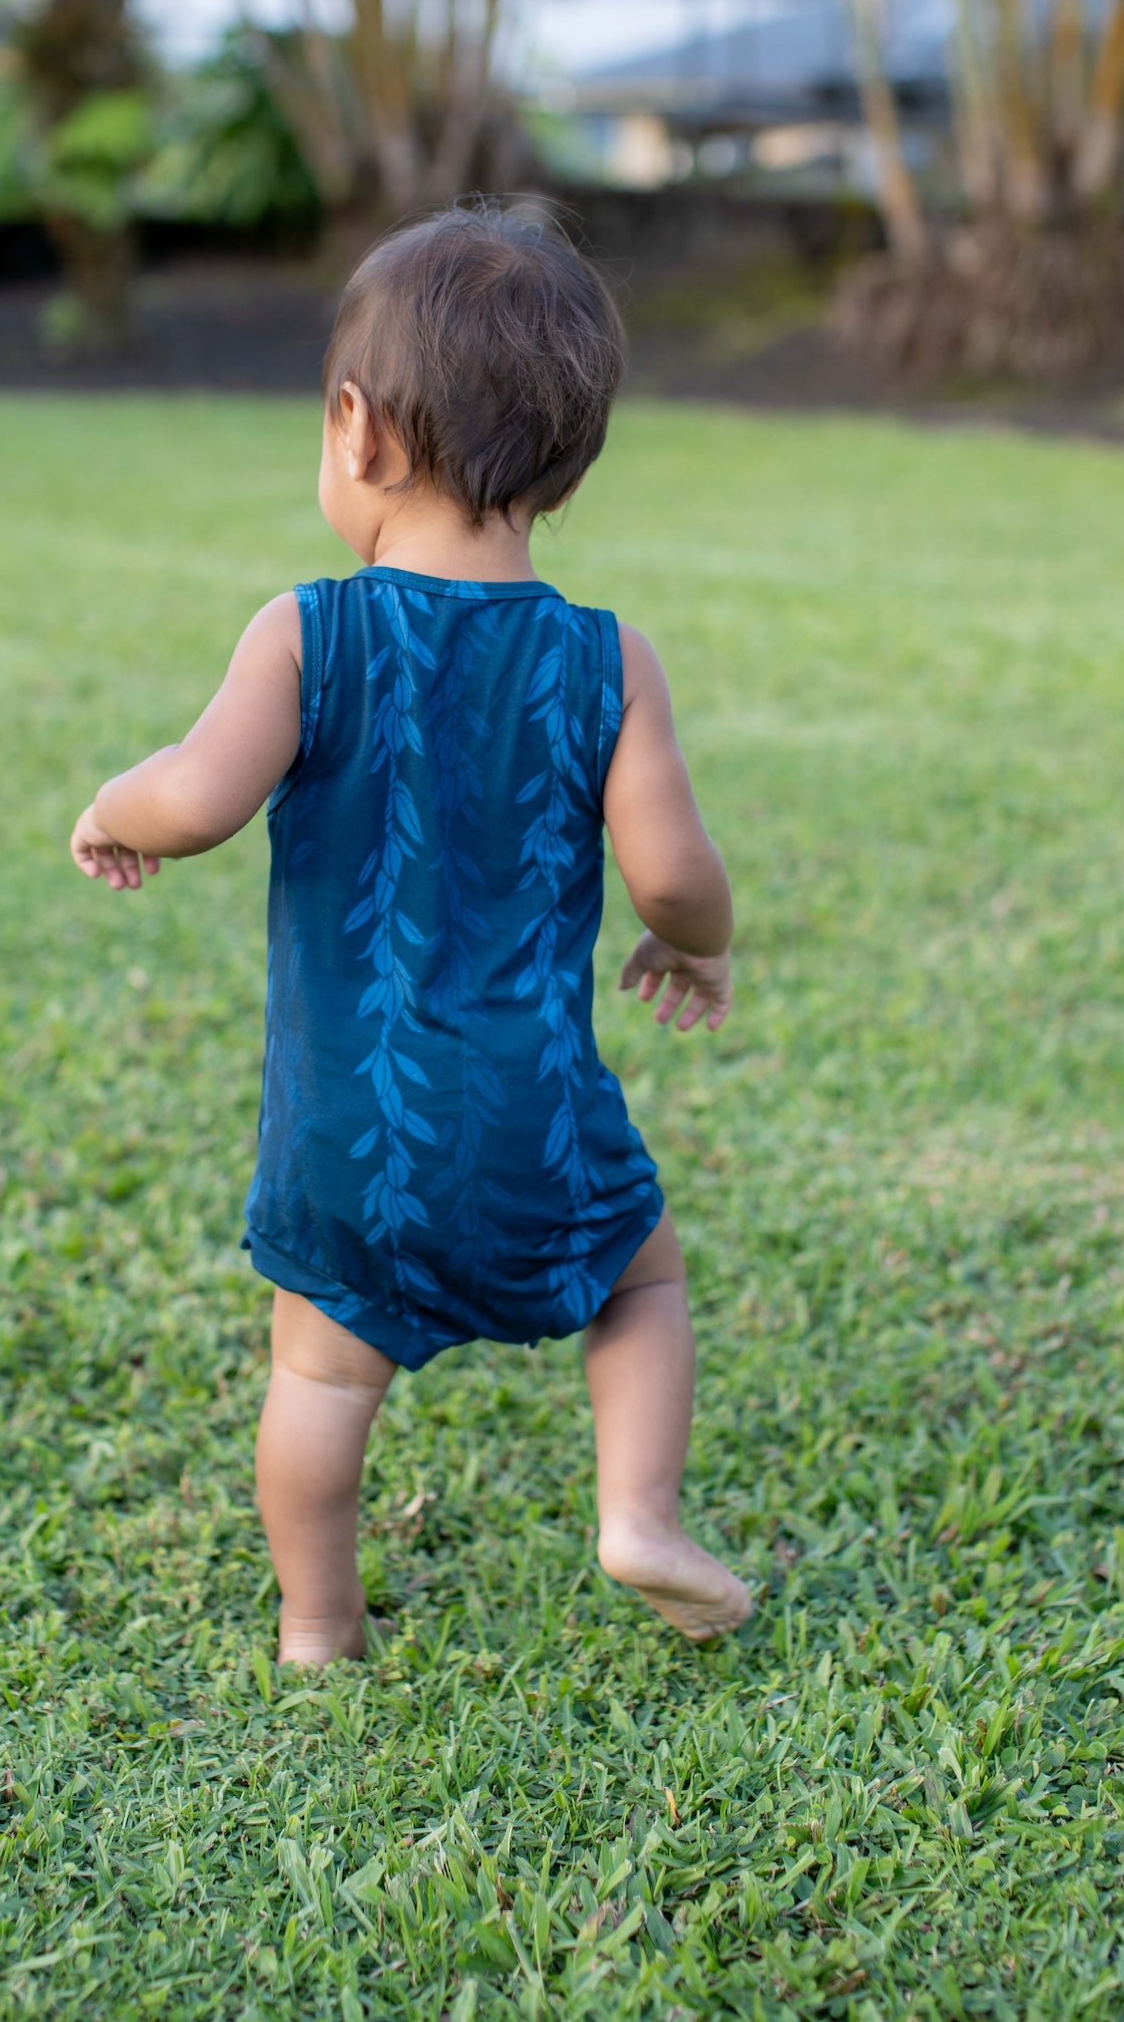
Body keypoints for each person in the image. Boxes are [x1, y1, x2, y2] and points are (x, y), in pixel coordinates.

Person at [70, 204, 752, 1665]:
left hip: (352, 1132)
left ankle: (319, 1624)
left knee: (322, 1377)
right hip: (536, 1116)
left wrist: (114, 806)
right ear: (570, 464)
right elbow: (674, 875)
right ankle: (637, 1516)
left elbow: (195, 798)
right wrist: (700, 942)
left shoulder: (307, 632)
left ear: (355, 427)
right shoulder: (606, 659)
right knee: (641, 1277)